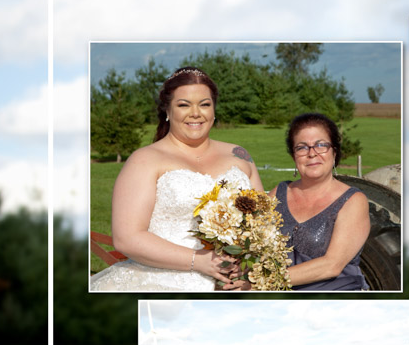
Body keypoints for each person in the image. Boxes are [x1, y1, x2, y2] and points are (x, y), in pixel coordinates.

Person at [90, 66, 261, 291]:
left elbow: (261, 226)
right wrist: (197, 260)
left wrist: (247, 274)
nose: (196, 113)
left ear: (214, 110)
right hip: (159, 283)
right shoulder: (145, 160)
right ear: (167, 111)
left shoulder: (240, 155)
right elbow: (127, 238)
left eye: (204, 104)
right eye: (184, 105)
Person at [270, 113, 370, 290]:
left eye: (321, 145)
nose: (311, 153)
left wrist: (262, 280)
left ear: (334, 152)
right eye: (302, 148)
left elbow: (331, 265)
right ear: (294, 157)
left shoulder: (353, 201)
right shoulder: (278, 194)